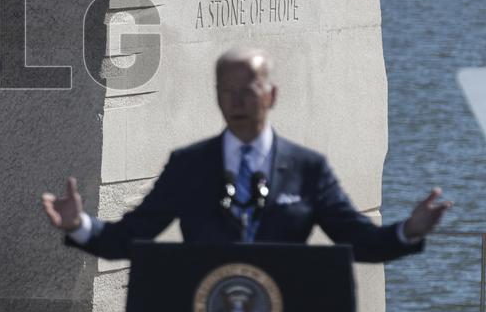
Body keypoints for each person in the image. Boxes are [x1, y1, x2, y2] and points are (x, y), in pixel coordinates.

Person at [42, 47, 452, 263]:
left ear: (271, 94)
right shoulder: (189, 166)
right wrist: (79, 224)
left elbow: (358, 241)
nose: (237, 100)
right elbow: (131, 237)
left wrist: (408, 231)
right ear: (217, 96)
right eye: (227, 90)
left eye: (248, 89)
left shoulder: (308, 168)